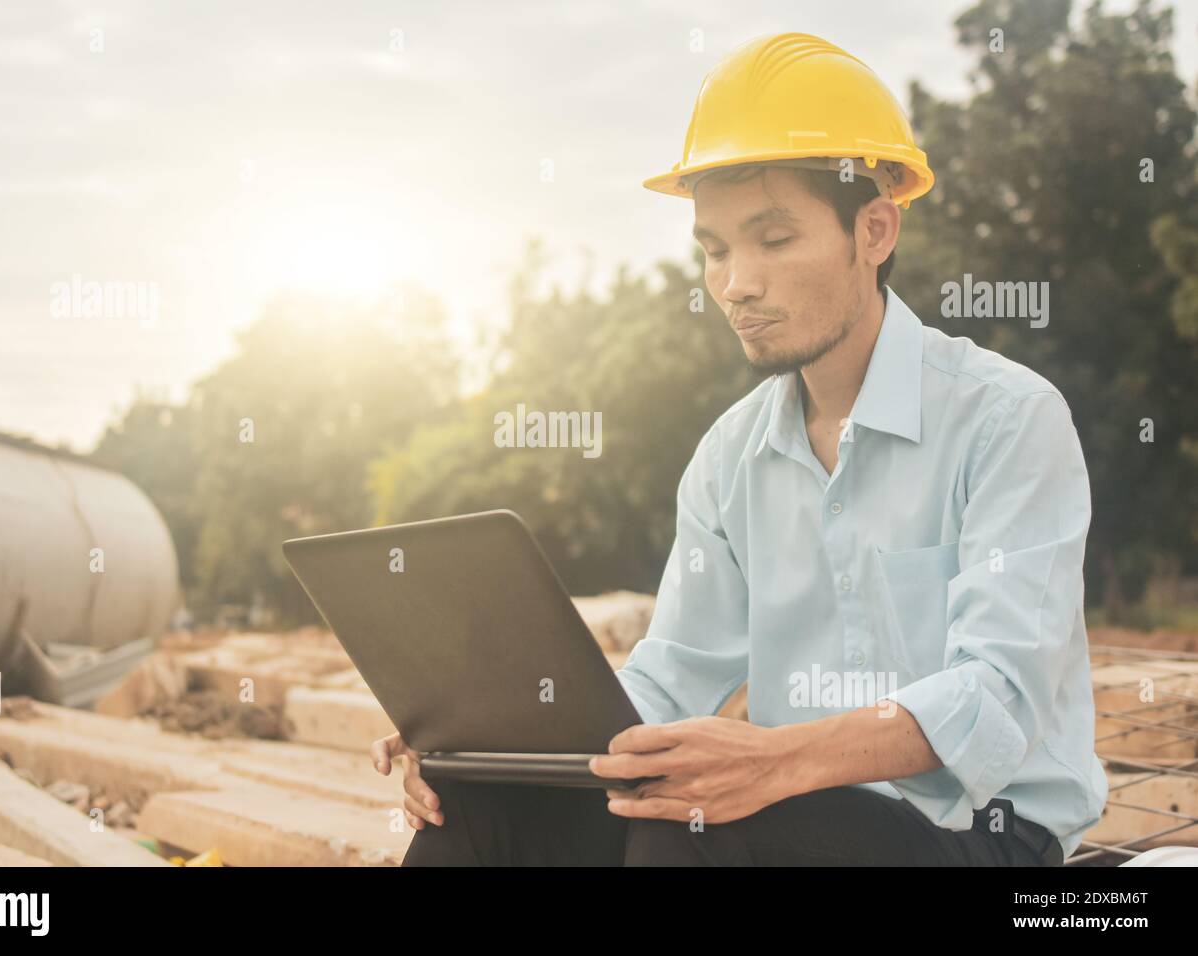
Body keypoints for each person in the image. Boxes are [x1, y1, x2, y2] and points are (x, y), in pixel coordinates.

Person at [374, 31, 1107, 866]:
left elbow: (998, 696)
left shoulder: (1008, 419)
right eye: (716, 251)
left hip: (982, 833)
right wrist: (488, 740)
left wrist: (777, 758)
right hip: (788, 812)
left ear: (873, 231)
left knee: (678, 825)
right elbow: (664, 682)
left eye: (774, 239)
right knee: (475, 810)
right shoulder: (729, 457)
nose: (735, 283)